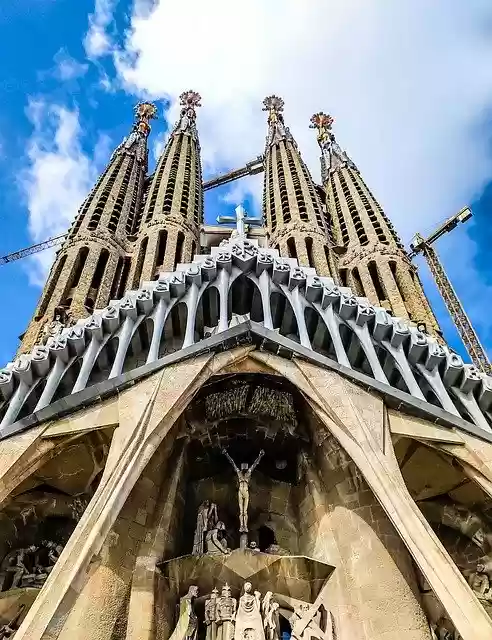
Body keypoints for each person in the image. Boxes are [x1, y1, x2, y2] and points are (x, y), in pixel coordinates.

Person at [223, 450, 265, 532]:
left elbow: (254, 465)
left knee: (244, 511)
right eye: (244, 469)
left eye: (245, 468)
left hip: (245, 492)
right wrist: (226, 454)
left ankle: (245, 526)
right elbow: (232, 463)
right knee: (241, 511)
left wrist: (260, 455)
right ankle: (241, 526)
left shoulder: (248, 474)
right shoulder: (239, 473)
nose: (244, 470)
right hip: (241, 492)